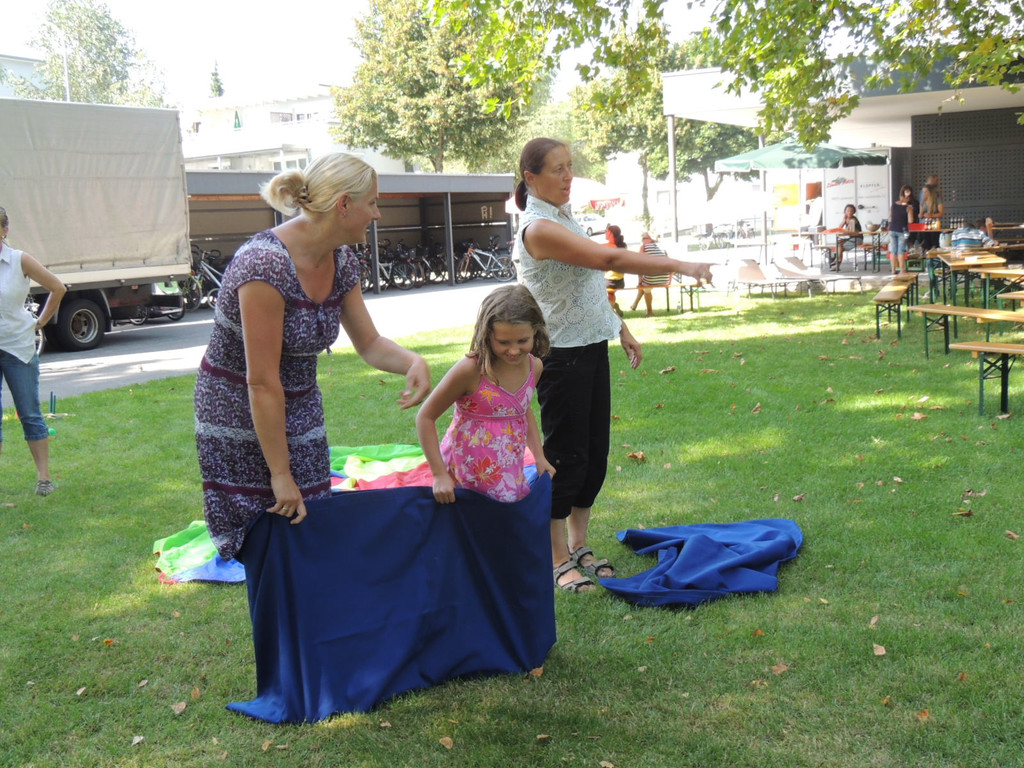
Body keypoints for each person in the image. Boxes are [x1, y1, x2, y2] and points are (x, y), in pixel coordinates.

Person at [194, 153, 431, 562]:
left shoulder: (341, 259)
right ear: (344, 204)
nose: (377, 214)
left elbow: (369, 342)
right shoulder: (265, 264)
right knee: (267, 539)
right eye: (372, 203)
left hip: (300, 405)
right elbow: (261, 381)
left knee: (312, 526)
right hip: (240, 414)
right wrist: (280, 474)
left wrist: (413, 361)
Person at [512, 137, 698, 593]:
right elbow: (608, 259)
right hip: (560, 355)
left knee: (595, 454)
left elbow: (587, 285)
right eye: (557, 168)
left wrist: (620, 326)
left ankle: (579, 544)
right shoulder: (538, 227)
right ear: (530, 177)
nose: (568, 176)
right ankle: (556, 557)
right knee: (566, 456)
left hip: (591, 346)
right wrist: (680, 264)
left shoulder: (563, 216)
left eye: (570, 166)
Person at [416, 284, 555, 504]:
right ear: (487, 334)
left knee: (504, 520)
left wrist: (539, 456)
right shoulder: (470, 370)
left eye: (522, 341)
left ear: (536, 331)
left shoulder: (534, 366)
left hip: (508, 471)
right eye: (503, 342)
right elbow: (425, 417)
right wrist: (439, 474)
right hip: (465, 474)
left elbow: (522, 409)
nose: (513, 350)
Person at [0, 206, 67, 496]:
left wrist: (40, 322)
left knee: (29, 412)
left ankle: (44, 479)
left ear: (4, 230)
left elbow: (57, 287)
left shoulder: (19, 260)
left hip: (18, 346)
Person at [630, 232, 672, 316]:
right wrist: (669, 281)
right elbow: (670, 263)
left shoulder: (644, 247)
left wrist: (639, 282)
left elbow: (639, 265)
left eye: (644, 238)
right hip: (664, 279)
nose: (642, 240)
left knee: (645, 287)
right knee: (644, 284)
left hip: (651, 279)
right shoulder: (662, 246)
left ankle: (649, 312)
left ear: (650, 239)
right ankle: (635, 304)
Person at [888, 184, 917, 274]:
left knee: (893, 250)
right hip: (902, 230)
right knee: (901, 250)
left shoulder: (893, 205)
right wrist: (910, 210)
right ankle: (902, 269)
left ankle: (893, 269)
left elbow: (890, 216)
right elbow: (911, 220)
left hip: (892, 229)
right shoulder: (908, 207)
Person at [603, 224, 626, 316]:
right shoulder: (622, 246)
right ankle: (613, 305)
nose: (605, 233)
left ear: (610, 233)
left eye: (606, 231)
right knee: (610, 294)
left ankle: (611, 310)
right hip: (621, 281)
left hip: (610, 281)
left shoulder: (608, 246)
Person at [833, 204, 863, 270]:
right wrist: (843, 221)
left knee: (840, 247)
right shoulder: (846, 219)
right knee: (839, 243)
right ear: (845, 212)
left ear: (854, 212)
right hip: (851, 238)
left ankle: (837, 263)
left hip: (857, 239)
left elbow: (848, 230)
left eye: (851, 211)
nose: (849, 212)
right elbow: (839, 228)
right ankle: (836, 263)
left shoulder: (853, 220)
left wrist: (842, 232)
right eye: (848, 211)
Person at [917, 183, 945, 251]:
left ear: (930, 192)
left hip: (935, 224)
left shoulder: (937, 199)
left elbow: (941, 213)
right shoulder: (923, 201)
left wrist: (931, 215)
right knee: (926, 241)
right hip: (925, 224)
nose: (924, 193)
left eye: (926, 191)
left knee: (934, 242)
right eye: (923, 192)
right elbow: (921, 213)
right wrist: (920, 215)